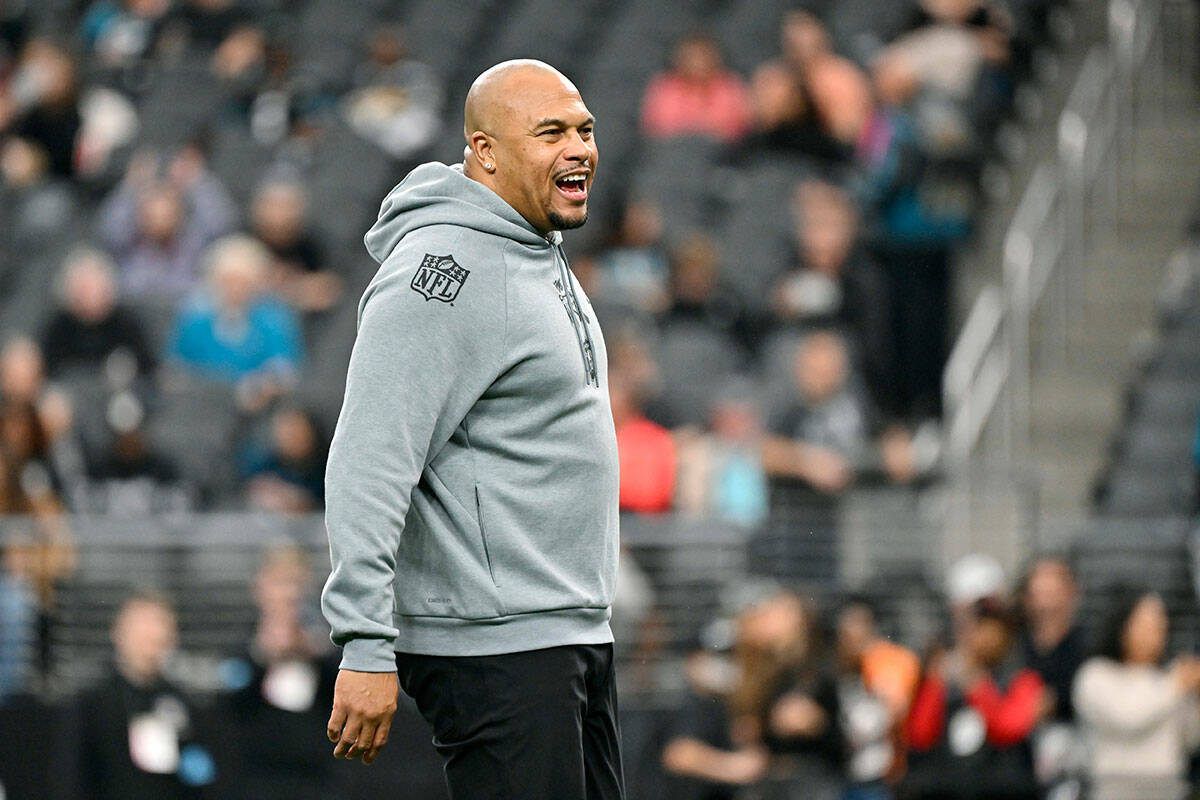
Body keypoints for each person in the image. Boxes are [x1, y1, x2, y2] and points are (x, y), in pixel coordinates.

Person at [321, 60, 623, 800]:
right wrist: (364, 640)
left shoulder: (531, 247)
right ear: (485, 152)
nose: (579, 147)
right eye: (550, 132)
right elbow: (370, 458)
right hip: (499, 645)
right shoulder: (443, 269)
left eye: (583, 129)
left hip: (564, 632)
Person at [75, 590, 216, 799]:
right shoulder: (93, 704)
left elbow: (199, 776)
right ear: (118, 632)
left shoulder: (184, 704)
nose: (150, 635)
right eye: (140, 625)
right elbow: (74, 777)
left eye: (159, 624)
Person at [1073, 590, 1200, 800]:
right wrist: (1177, 684)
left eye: (1160, 623)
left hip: (1169, 787)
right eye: (1145, 623)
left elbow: (1190, 739)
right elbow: (1129, 716)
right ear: (1122, 624)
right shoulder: (1095, 675)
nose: (1156, 632)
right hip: (1115, 789)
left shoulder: (1166, 677)